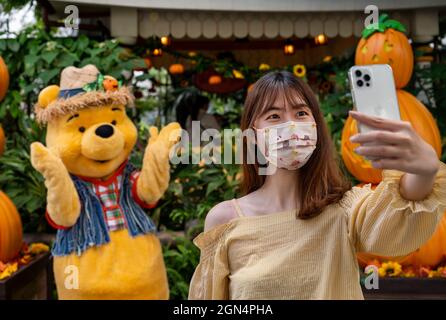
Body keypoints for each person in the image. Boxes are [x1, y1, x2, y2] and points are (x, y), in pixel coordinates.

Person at [188, 70, 446, 299]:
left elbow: (395, 224)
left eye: (300, 113)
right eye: (274, 116)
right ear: (252, 136)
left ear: (315, 126)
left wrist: (424, 171)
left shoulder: (344, 209)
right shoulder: (224, 222)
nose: (291, 125)